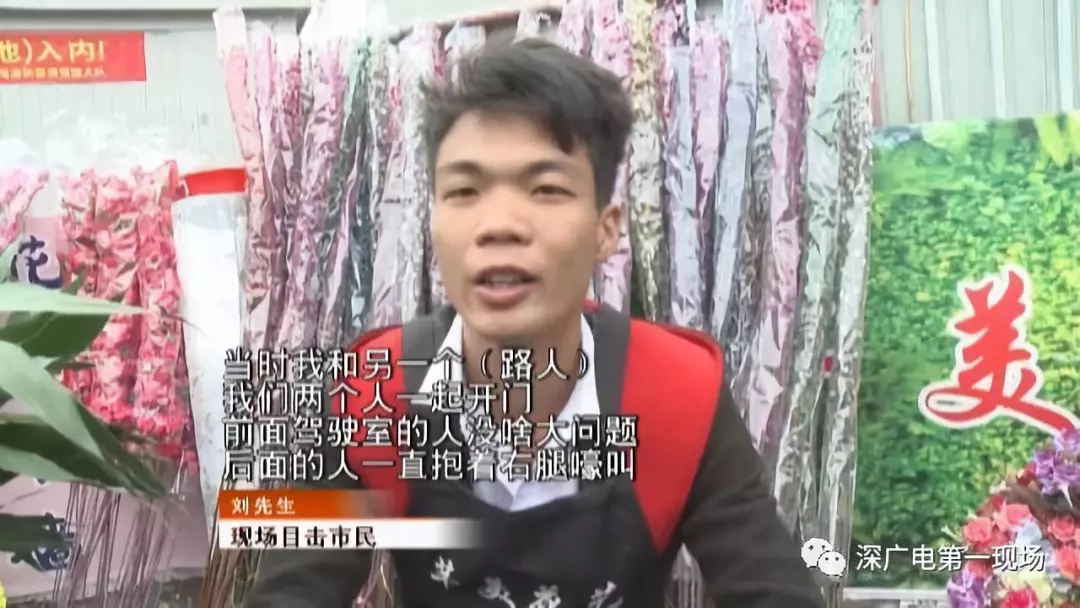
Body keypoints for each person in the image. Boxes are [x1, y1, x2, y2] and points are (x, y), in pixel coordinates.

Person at [246, 34, 824, 608]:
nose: (499, 225)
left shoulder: (677, 395)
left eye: (546, 189)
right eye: (465, 190)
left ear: (606, 230)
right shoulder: (372, 394)